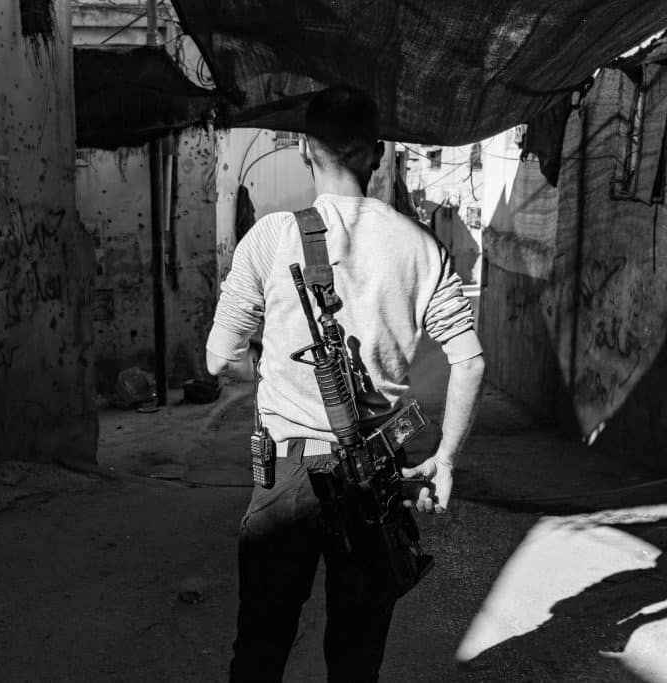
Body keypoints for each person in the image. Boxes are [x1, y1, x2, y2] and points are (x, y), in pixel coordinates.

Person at [205, 85, 485, 682]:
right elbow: (471, 361)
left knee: (260, 647)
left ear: (307, 150)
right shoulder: (423, 247)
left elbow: (219, 359)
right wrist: (447, 460)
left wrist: (273, 380)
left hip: (287, 474)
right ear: (377, 154)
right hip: (377, 475)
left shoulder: (270, 237)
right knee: (356, 657)